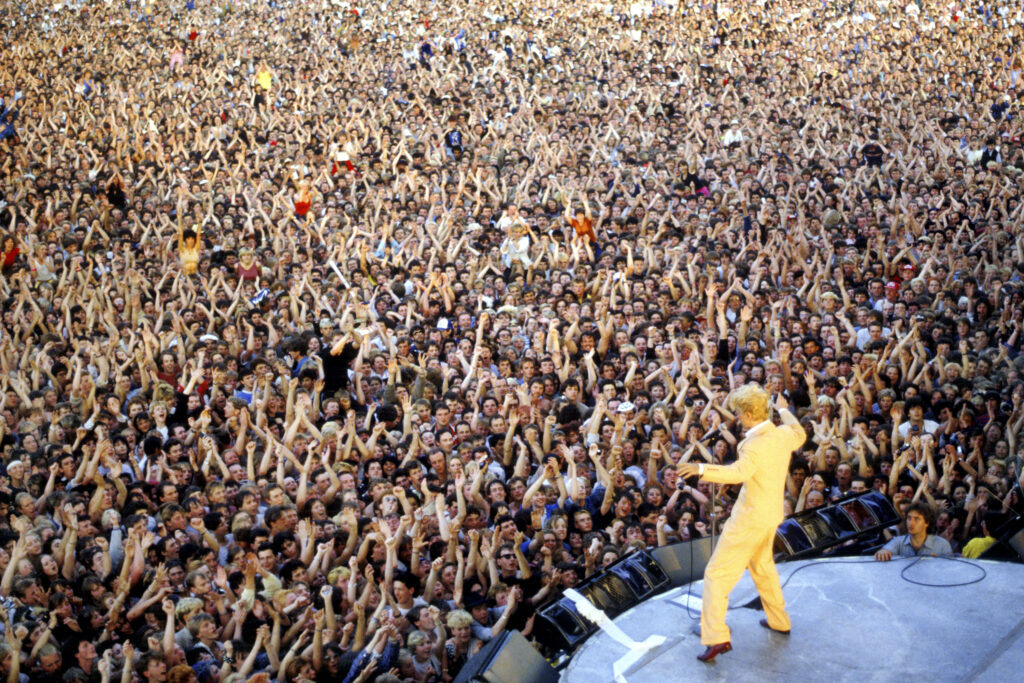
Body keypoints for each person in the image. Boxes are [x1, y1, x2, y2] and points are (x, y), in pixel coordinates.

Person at [677, 385, 805, 662]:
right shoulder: (782, 434)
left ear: (748, 414)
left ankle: (716, 637)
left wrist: (701, 469)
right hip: (771, 515)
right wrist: (784, 409)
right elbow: (800, 433)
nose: (736, 416)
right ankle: (779, 621)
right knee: (763, 567)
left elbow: (738, 473)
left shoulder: (754, 444)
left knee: (716, 575)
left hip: (749, 520)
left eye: (738, 412)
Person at [874, 502, 954, 561]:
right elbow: (887, 549)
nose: (911, 523)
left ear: (926, 523)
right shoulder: (898, 541)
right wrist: (883, 552)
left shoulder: (942, 545)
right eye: (909, 518)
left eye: (917, 519)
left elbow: (949, 570)